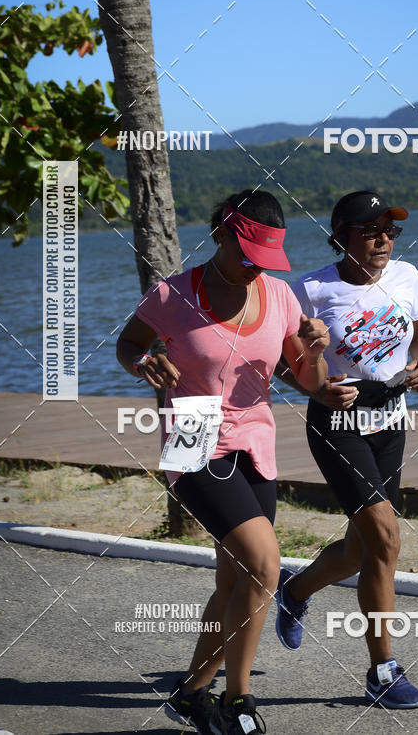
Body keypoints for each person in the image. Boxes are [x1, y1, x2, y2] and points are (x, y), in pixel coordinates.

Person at [116, 189, 329, 735]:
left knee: (235, 581)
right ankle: (238, 700)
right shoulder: (173, 295)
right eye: (247, 254)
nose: (255, 266)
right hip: (194, 438)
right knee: (265, 565)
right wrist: (145, 364)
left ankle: (189, 692)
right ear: (221, 235)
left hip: (257, 442)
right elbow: (129, 345)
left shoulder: (280, 296)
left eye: (265, 258)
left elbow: (311, 383)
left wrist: (314, 350)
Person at [274, 190, 418, 710]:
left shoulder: (407, 277)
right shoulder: (310, 290)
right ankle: (382, 670)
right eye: (371, 230)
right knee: (386, 539)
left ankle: (295, 590)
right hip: (338, 423)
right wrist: (314, 388)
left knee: (362, 549)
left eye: (390, 230)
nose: (384, 239)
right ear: (341, 235)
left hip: (391, 420)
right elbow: (276, 359)